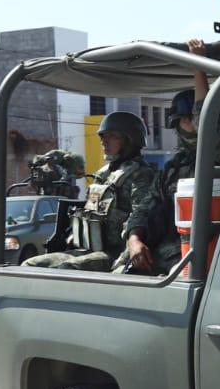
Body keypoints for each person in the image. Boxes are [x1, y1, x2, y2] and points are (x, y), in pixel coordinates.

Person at [24, 111, 158, 273]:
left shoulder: (141, 174)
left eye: (112, 136)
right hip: (88, 249)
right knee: (30, 265)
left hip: (114, 253)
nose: (104, 141)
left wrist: (122, 262)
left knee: (65, 269)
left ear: (130, 140)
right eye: (103, 136)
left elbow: (142, 217)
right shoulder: (104, 174)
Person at [150, 44, 220, 272]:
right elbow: (148, 205)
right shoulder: (173, 167)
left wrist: (198, 66)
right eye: (185, 120)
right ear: (176, 125)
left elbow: (204, 122)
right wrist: (134, 237)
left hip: (214, 249)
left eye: (193, 118)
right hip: (173, 245)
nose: (192, 124)